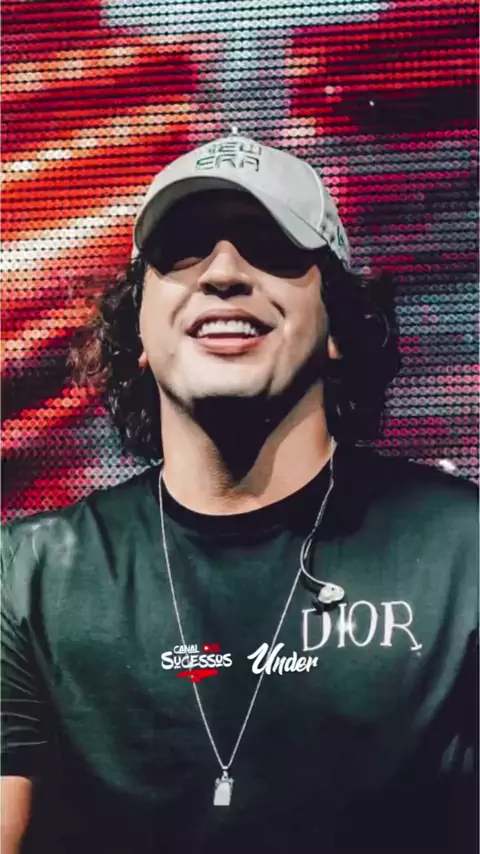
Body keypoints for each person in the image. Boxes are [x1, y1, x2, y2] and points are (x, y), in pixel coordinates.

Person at [1, 133, 477, 854]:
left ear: (338, 325)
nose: (223, 272)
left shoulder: (464, 556)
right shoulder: (26, 577)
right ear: (137, 329)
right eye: (183, 249)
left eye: (269, 245)